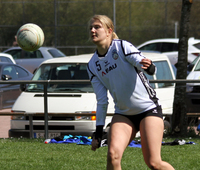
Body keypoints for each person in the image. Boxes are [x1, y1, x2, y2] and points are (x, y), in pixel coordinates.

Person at [87, 14, 175, 170]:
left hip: (148, 110)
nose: (93, 30)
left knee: (154, 163)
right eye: (91, 28)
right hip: (123, 114)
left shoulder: (121, 47)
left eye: (97, 27)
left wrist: (149, 67)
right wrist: (98, 131)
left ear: (109, 31)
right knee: (112, 156)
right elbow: (102, 101)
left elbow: (140, 62)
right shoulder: (92, 65)